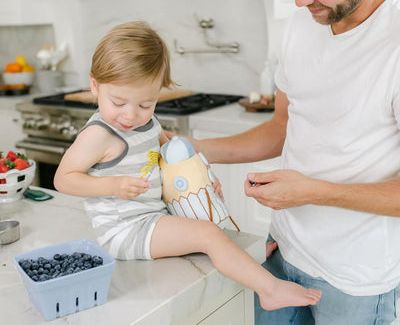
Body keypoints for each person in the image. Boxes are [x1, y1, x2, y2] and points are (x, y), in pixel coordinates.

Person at [184, 0, 400, 323]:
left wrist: (313, 191)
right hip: (280, 253)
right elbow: (279, 128)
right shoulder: (302, 24)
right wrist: (191, 149)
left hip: (354, 279)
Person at [53, 21, 321, 311]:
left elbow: (176, 152)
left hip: (153, 215)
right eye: (118, 102)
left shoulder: (148, 124)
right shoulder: (99, 135)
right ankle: (268, 289)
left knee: (210, 218)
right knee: (207, 235)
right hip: (126, 231)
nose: (130, 115)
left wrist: (203, 176)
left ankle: (249, 261)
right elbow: (63, 179)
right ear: (95, 85)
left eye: (146, 104)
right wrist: (112, 185)